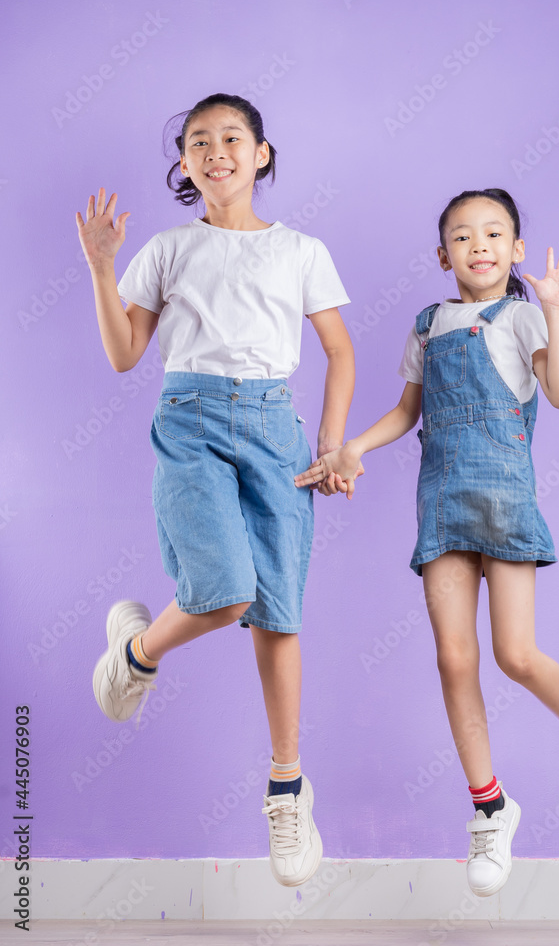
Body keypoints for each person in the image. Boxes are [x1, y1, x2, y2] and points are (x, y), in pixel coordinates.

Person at [295, 188, 559, 897]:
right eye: (462, 235)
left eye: (494, 233)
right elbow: (407, 412)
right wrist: (350, 449)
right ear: (441, 254)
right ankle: (488, 807)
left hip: (503, 505)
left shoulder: (523, 316)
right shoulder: (427, 324)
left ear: (515, 251)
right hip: (441, 506)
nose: (478, 245)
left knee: (513, 654)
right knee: (453, 658)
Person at [76, 92, 355, 887]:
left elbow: (339, 352)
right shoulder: (167, 248)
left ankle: (287, 786)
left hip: (276, 429)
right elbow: (127, 352)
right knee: (226, 591)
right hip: (191, 418)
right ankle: (134, 653)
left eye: (232, 137)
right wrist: (102, 268)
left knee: (278, 610)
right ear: (185, 163)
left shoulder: (301, 249)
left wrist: (331, 442)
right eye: (198, 141)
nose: (216, 150)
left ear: (261, 154)